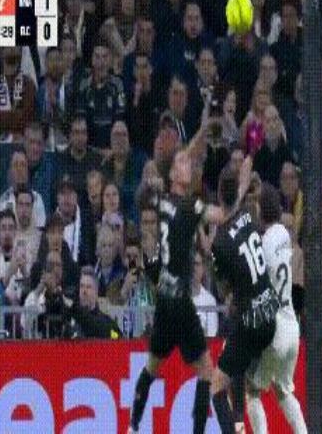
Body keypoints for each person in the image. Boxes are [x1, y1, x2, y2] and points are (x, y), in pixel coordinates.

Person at [127, 128, 252, 434]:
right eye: (182, 163)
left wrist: (200, 133)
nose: (189, 165)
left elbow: (149, 188)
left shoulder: (163, 201)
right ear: (172, 174)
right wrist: (243, 185)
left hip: (164, 301)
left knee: (151, 368)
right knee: (209, 374)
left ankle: (132, 427)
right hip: (181, 303)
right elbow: (223, 216)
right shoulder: (189, 207)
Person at [209, 166, 279, 434]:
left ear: (218, 195)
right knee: (235, 357)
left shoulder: (219, 243)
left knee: (216, 387)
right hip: (270, 313)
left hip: (252, 322)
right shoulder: (248, 215)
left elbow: (224, 289)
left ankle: (236, 427)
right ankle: (240, 423)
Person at [245, 183, 307, 434]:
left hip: (275, 328)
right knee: (284, 391)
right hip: (292, 326)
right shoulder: (283, 234)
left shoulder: (262, 246)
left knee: (252, 389)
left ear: (260, 210)